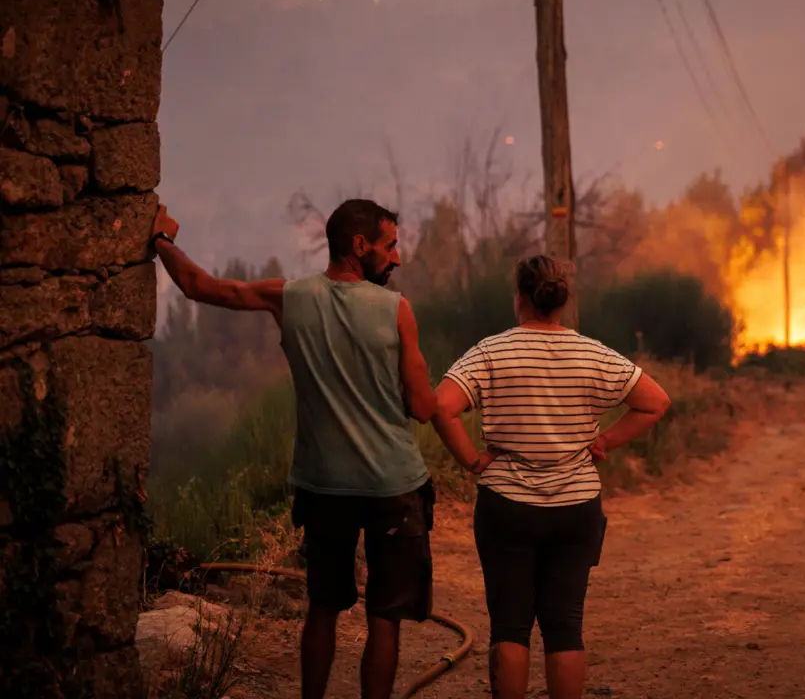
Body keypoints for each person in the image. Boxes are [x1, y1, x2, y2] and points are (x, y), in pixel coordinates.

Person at [150, 199, 488, 699]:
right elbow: (422, 407)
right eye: (390, 246)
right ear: (359, 245)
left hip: (325, 486)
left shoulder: (288, 297)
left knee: (323, 608)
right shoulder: (397, 310)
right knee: (384, 618)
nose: (397, 258)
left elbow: (200, 286)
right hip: (394, 487)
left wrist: (161, 240)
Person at [429, 254, 672, 699]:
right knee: (564, 627)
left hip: (506, 507)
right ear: (563, 300)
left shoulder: (491, 351)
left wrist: (471, 460)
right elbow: (655, 402)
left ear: (519, 297)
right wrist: (605, 441)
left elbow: (441, 406)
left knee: (510, 627)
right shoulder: (592, 353)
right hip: (576, 509)